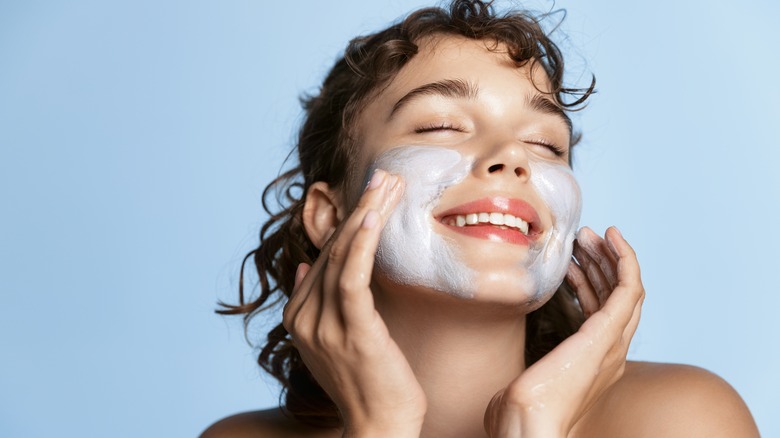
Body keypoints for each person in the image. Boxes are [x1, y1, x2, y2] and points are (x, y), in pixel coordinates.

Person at [202, 1, 759, 436]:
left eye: (545, 144)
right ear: (330, 214)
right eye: (440, 126)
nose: (511, 157)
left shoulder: (683, 421)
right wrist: (381, 429)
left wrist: (533, 426)